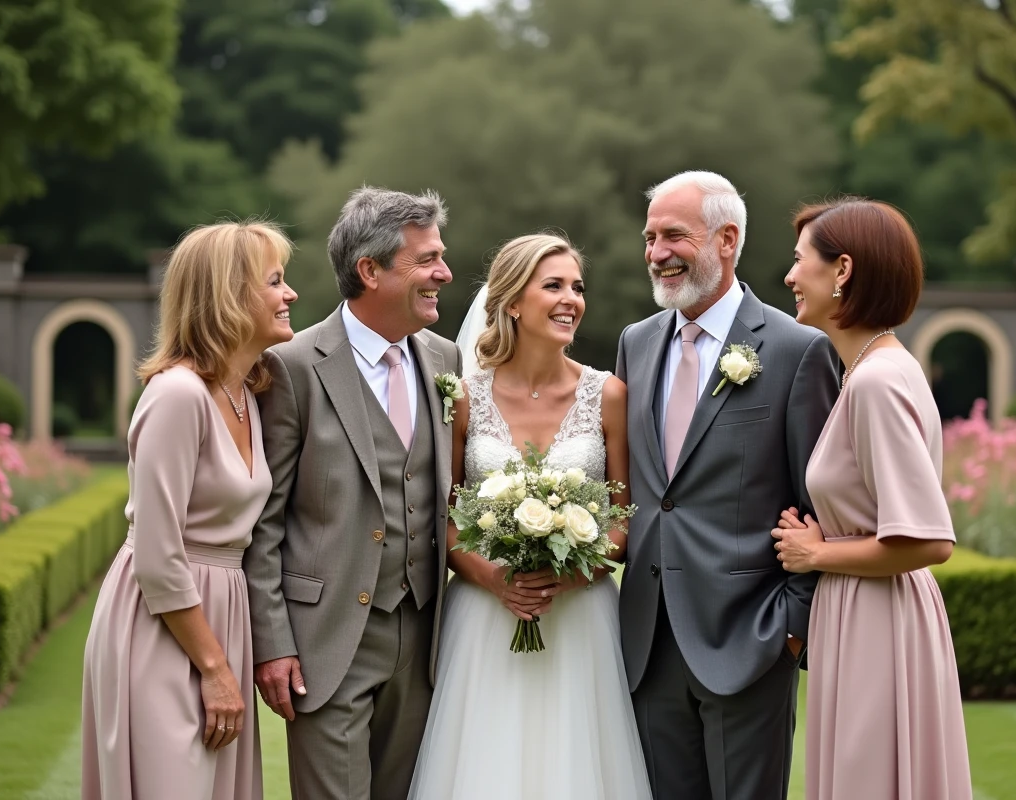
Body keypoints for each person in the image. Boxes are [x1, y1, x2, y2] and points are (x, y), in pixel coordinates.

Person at [615, 171, 841, 799]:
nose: (657, 252)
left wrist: (791, 630)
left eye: (674, 235)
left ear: (727, 240)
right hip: (648, 643)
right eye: (650, 237)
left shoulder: (798, 350)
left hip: (751, 641)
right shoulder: (636, 343)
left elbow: (821, 506)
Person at [408, 232, 652, 800]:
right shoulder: (462, 397)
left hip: (580, 616)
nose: (572, 300)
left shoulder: (609, 394)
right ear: (514, 301)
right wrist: (496, 579)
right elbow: (445, 517)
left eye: (577, 288)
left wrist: (572, 574)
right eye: (554, 286)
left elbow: (624, 517)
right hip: (486, 614)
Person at [245, 187, 460, 800]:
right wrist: (273, 645)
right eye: (427, 260)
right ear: (370, 270)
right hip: (327, 639)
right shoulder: (292, 365)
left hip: (424, 639)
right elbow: (264, 522)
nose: (444, 273)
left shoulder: (445, 359)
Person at [82, 220, 298, 799]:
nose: (290, 293)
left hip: (223, 610)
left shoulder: (247, 393)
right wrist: (214, 668)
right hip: (163, 622)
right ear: (228, 295)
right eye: (274, 281)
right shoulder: (177, 396)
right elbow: (157, 554)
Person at [773, 197, 973, 800]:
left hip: (877, 619)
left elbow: (929, 541)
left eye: (800, 260)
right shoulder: (873, 370)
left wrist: (816, 554)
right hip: (863, 611)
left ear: (842, 270)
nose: (789, 276)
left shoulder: (877, 382)